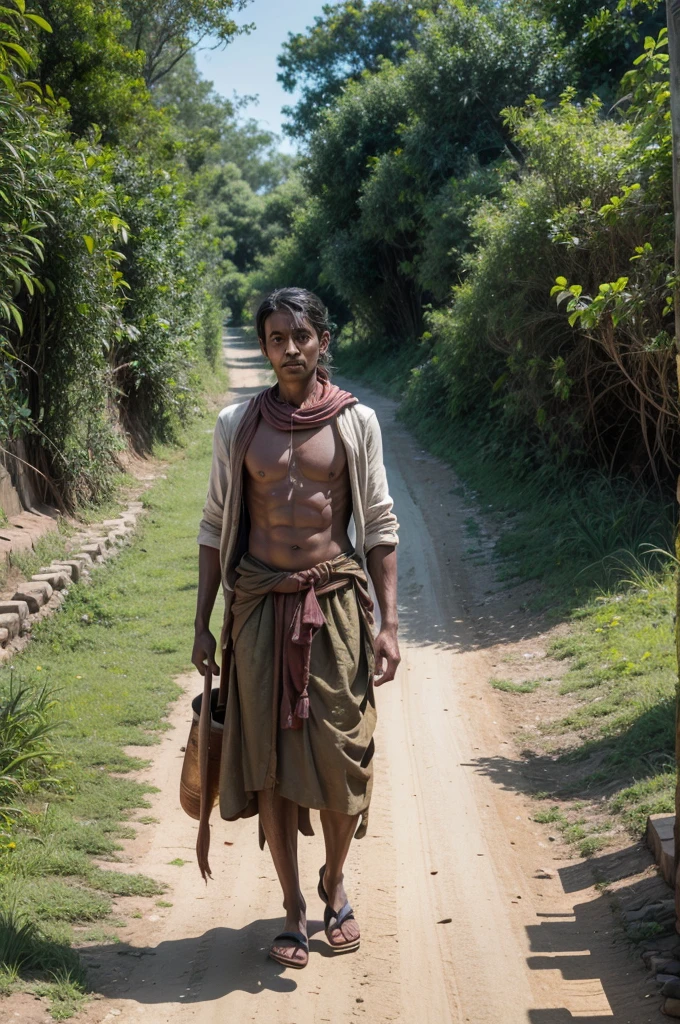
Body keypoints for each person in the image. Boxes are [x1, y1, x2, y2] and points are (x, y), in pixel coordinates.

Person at [192, 287, 400, 969]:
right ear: (264, 346)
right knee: (270, 766)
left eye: (301, 336)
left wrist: (389, 623)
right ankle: (292, 908)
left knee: (344, 754)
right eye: (277, 338)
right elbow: (215, 525)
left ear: (323, 341)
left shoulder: (355, 423)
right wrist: (202, 622)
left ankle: (334, 879)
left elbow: (380, 523)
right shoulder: (236, 426)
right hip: (255, 606)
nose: (289, 349)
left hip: (334, 604)